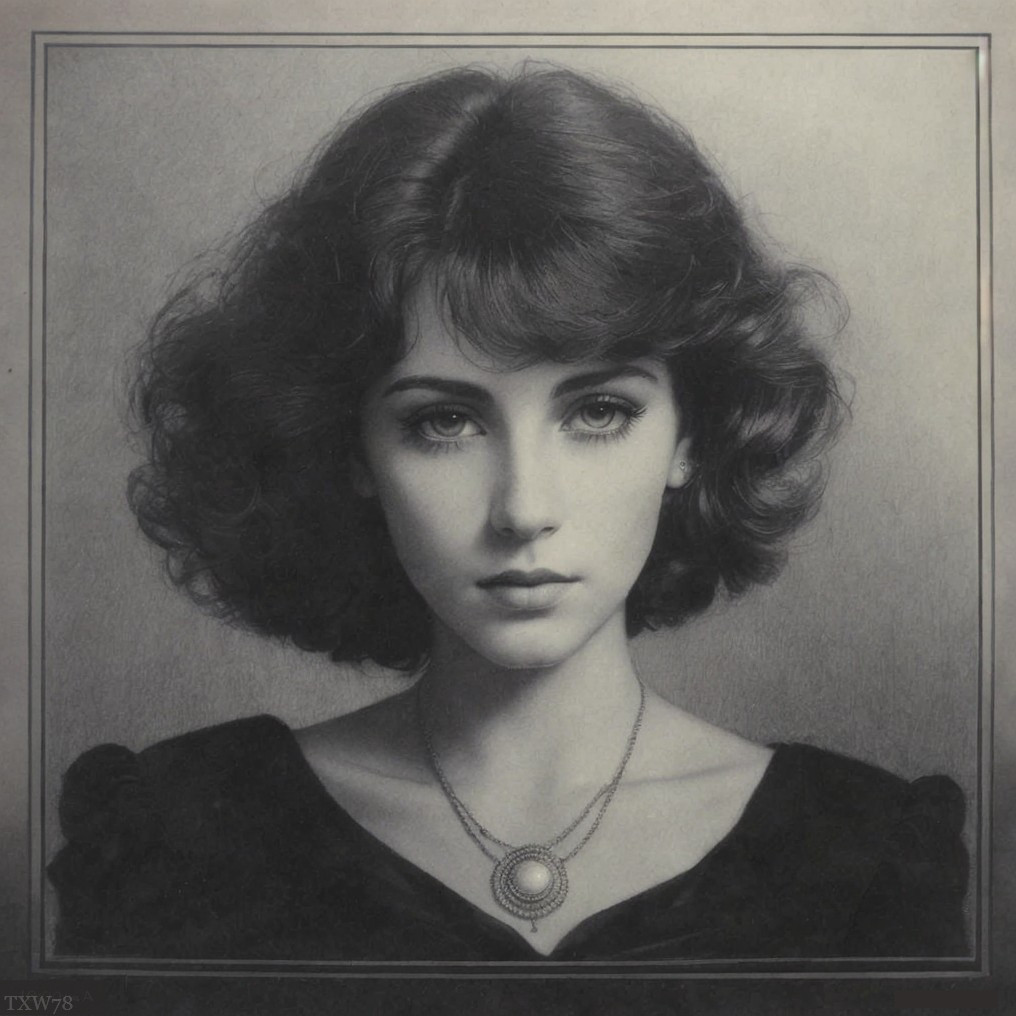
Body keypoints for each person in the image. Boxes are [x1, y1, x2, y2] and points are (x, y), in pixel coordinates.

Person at [48, 64, 968, 962]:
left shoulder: (865, 857)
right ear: (351, 449)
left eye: (598, 412)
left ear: (692, 435)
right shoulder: (174, 837)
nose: (524, 508)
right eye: (444, 422)